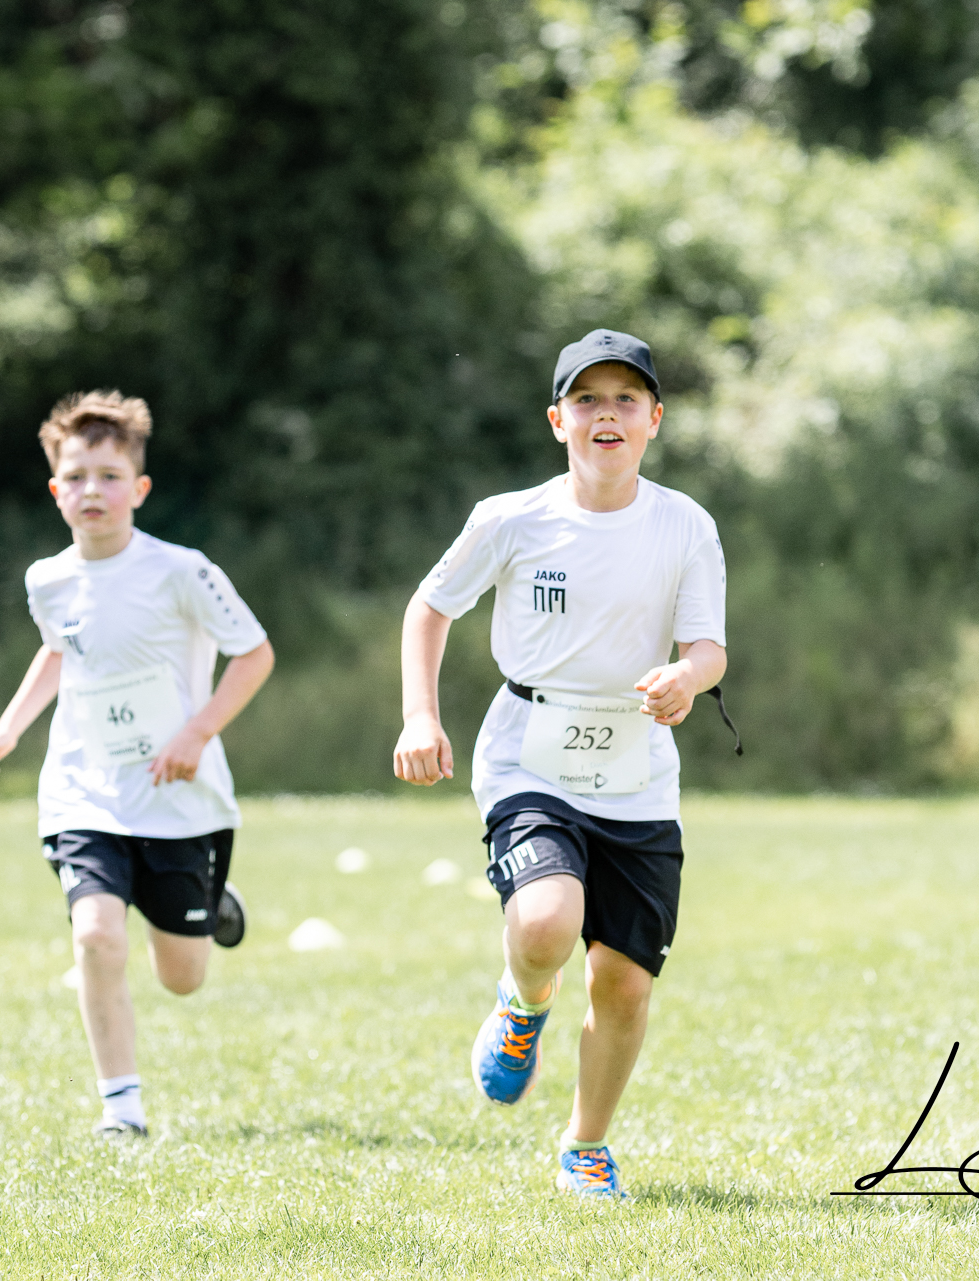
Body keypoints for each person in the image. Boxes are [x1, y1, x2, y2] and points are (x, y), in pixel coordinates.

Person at [392, 330, 731, 1197]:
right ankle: (523, 1003)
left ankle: (585, 1144)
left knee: (622, 983)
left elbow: (707, 647)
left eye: (625, 399)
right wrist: (422, 714)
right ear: (557, 420)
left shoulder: (686, 524)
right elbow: (430, 607)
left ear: (654, 419)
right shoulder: (510, 518)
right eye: (587, 399)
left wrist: (687, 677)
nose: (605, 414)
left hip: (637, 771)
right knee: (545, 922)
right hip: (530, 756)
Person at [0, 389, 274, 1139]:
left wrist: (196, 733)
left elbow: (254, 654)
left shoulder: (182, 571)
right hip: (85, 791)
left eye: (109, 476)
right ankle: (121, 1110)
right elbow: (60, 651)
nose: (91, 490)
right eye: (76, 476)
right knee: (96, 936)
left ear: (139, 488)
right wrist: (6, 729)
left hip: (178, 798)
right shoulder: (47, 579)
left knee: (182, 978)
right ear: (55, 490)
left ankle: (208, 900)